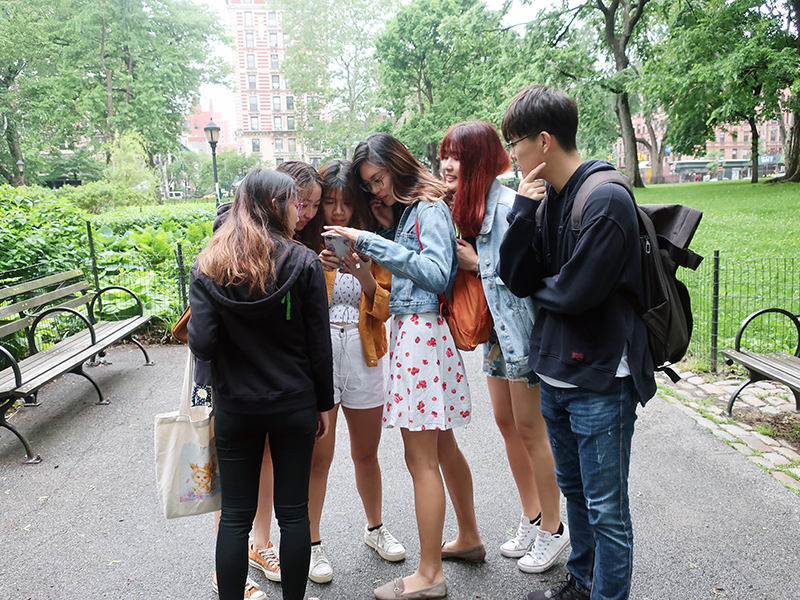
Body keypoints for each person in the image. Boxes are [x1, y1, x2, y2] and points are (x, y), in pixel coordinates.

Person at [496, 85, 656, 600]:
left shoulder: (605, 197)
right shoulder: (547, 199)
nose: (512, 156)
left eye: (515, 143)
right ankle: (582, 584)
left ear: (543, 141)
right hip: (556, 373)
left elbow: (577, 292)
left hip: (601, 378)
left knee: (608, 510)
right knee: (578, 496)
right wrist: (521, 210)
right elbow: (517, 278)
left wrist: (547, 288)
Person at [325, 132, 482, 600]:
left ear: (397, 164)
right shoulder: (415, 209)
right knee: (444, 448)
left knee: (421, 460)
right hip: (419, 335)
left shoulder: (429, 206)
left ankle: (430, 575)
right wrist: (381, 231)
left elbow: (436, 273)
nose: (374, 190)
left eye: (378, 178)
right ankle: (469, 538)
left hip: (419, 334)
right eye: (369, 184)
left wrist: (370, 239)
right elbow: (415, 264)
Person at [188, 168, 334, 600]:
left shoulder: (211, 262)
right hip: (294, 403)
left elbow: (203, 343)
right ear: (275, 205)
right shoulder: (303, 261)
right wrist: (323, 404)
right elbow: (317, 344)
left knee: (234, 516)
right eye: (295, 203)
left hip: (235, 407)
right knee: (294, 515)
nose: (300, 211)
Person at [439, 121, 569, 574]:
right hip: (497, 334)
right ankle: (532, 515)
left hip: (523, 332)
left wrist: (479, 266)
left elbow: (529, 282)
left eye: (456, 155)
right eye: (444, 154)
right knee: (507, 424)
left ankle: (553, 529)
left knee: (532, 430)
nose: (447, 164)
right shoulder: (466, 206)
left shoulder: (515, 203)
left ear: (479, 160)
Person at [304, 158, 405, 584]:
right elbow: (298, 314)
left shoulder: (371, 242)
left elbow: (384, 308)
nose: (338, 212)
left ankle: (375, 529)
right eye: (330, 202)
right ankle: (312, 545)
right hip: (320, 357)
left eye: (346, 203)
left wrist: (362, 272)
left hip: (364, 355)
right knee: (318, 459)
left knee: (367, 453)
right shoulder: (307, 247)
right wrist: (319, 271)